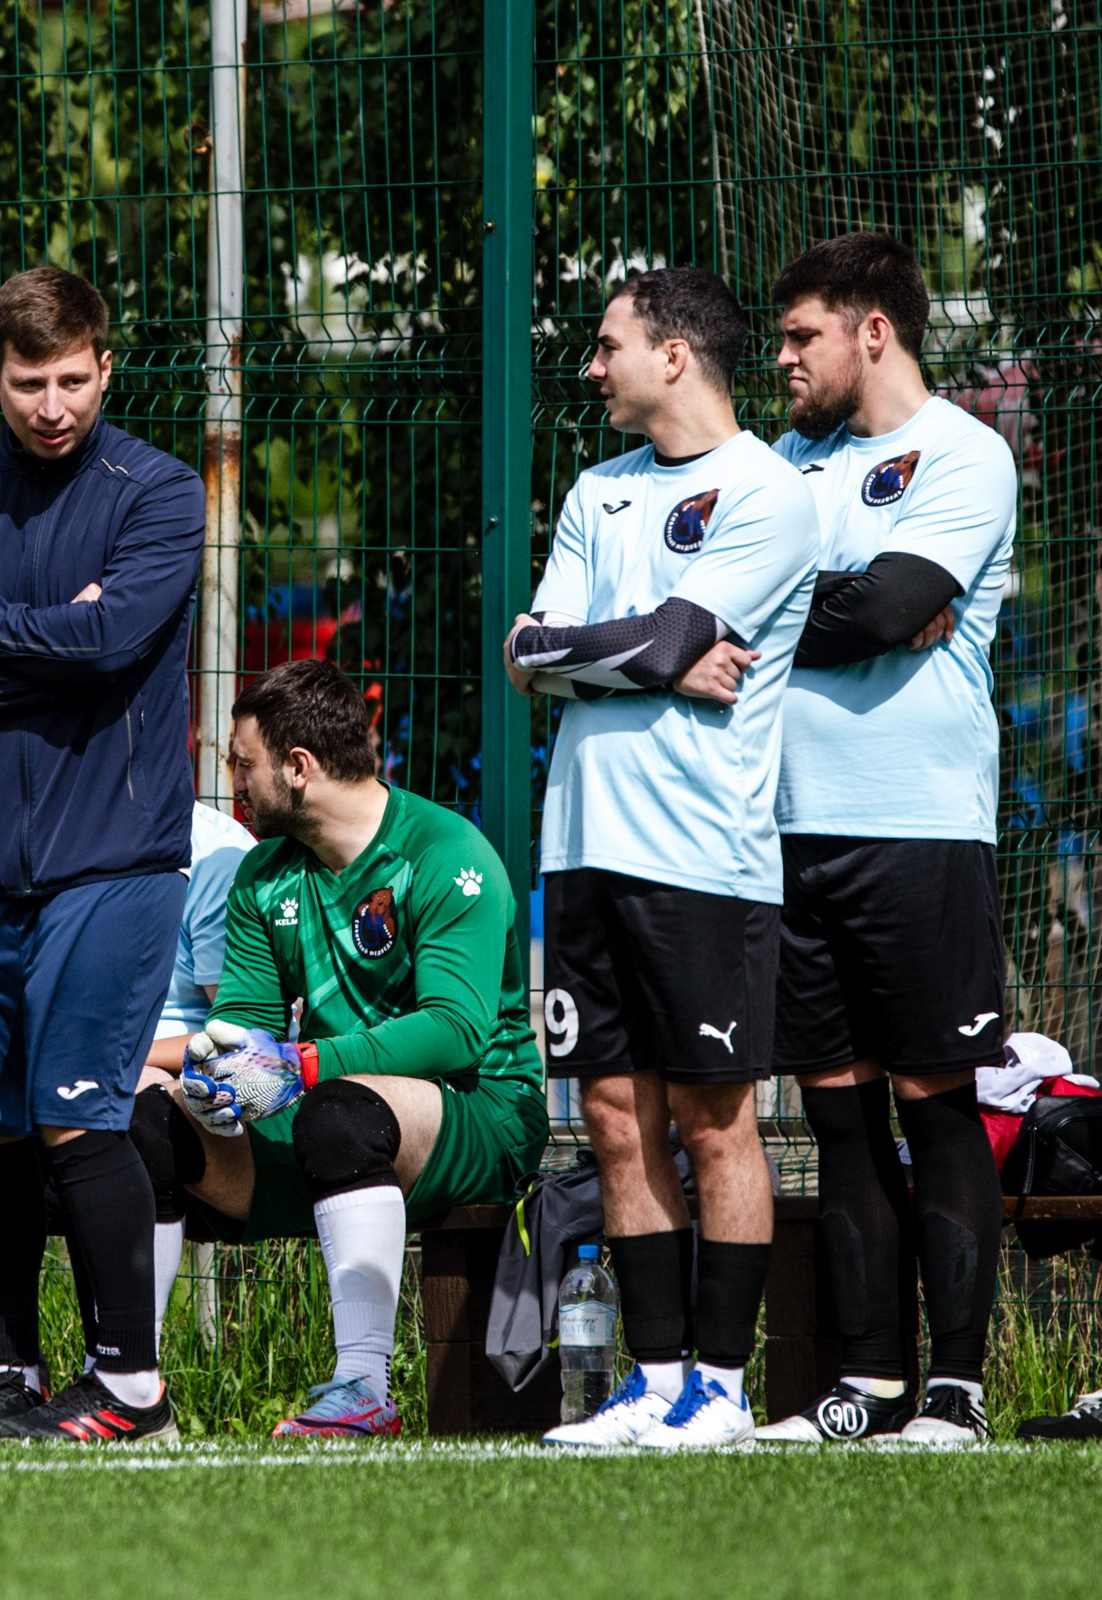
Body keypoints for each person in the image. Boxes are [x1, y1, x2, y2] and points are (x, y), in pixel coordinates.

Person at [0, 265, 205, 1443]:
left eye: (73, 378)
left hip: (115, 861)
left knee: (78, 1113)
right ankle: (9, 1374)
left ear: (106, 366)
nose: (53, 405)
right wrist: (42, 637)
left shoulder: (158, 492)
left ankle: (131, 1388)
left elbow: (116, 636)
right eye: (29, 383)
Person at [506, 267, 819, 1450]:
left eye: (607, 345)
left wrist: (617, 648)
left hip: (704, 857)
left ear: (675, 355)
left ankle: (723, 1393)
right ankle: (654, 1381)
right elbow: (527, 651)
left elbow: (665, 635)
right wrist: (638, 654)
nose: (592, 366)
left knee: (713, 1119)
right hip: (582, 849)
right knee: (611, 1117)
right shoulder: (599, 488)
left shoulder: (770, 493)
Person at [750, 234, 1018, 1446]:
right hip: (784, 829)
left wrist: (821, 604)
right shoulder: (775, 465)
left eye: (803, 335)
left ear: (873, 331)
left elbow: (897, 608)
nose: (784, 358)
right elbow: (749, 603)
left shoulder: (963, 453)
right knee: (837, 1108)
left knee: (932, 1096)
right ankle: (867, 1382)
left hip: (917, 828)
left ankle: (955, 1387)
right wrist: (843, 603)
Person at [150, 661, 546, 1437]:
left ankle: (363, 1387)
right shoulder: (264, 874)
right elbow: (245, 1021)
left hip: (479, 1112)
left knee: (336, 1114)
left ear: (298, 768)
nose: (233, 781)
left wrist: (299, 1067)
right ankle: (133, 1386)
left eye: (242, 762)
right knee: (148, 1122)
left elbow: (456, 1030)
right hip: (330, 1118)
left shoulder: (443, 851)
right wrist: (219, 1080)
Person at [0, 798, 252, 1327]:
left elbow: (237, 1035)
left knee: (119, 1096)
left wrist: (99, 1055)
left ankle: (124, 1371)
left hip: (150, 1089)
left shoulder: (216, 852)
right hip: (38, 1079)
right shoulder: (34, 833)